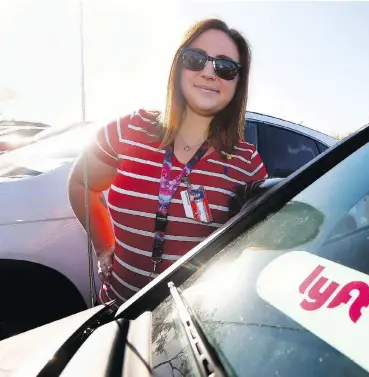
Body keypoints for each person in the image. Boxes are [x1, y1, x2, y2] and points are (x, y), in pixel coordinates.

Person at [68, 18, 267, 308]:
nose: (210, 73)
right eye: (196, 59)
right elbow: (80, 184)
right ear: (178, 66)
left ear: (238, 83)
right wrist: (103, 246)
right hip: (117, 314)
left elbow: (256, 247)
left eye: (225, 67)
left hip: (190, 332)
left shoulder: (247, 163)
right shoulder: (127, 131)